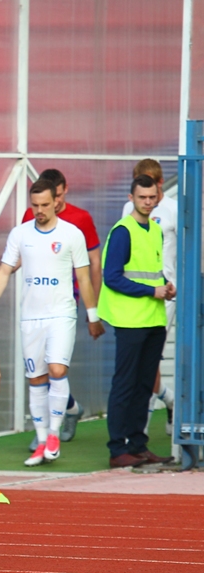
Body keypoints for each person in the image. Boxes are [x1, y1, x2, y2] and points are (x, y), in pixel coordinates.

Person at [0, 179, 105, 467]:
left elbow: (84, 277)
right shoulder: (20, 234)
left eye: (44, 204)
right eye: (35, 205)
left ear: (56, 202)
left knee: (57, 369)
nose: (39, 210)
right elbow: (5, 271)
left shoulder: (71, 234)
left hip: (61, 314)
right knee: (37, 379)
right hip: (31, 317)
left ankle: (54, 434)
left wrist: (93, 316)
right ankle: (41, 442)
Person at [100, 175, 175, 467]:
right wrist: (152, 291)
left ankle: (137, 445)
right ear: (131, 198)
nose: (147, 202)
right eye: (142, 197)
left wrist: (165, 285)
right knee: (125, 384)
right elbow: (112, 277)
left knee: (144, 385)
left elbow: (150, 271)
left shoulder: (154, 230)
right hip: (130, 320)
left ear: (158, 197)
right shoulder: (123, 231)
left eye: (151, 197)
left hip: (153, 318)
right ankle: (117, 449)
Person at [119, 160, 177, 434]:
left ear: (160, 183)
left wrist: (174, 284)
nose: (147, 199)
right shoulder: (128, 211)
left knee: (150, 360)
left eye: (151, 190)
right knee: (140, 362)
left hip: (165, 294)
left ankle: (138, 433)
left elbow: (186, 250)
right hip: (136, 294)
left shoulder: (174, 210)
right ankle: (170, 400)